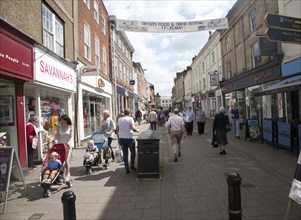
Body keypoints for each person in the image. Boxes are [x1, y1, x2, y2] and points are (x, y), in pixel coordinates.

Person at [116, 108, 139, 174]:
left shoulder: (119, 119)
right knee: (133, 153)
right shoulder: (130, 119)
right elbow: (132, 128)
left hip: (122, 138)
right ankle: (132, 166)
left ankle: (127, 169)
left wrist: (118, 137)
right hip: (129, 138)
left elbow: (117, 129)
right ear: (129, 113)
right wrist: (137, 130)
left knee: (125, 154)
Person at [53, 114, 72, 181]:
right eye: (61, 121)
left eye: (63, 121)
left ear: (66, 121)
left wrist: (69, 143)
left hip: (67, 146)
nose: (61, 123)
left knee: (66, 161)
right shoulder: (59, 127)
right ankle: (57, 174)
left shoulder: (70, 127)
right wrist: (54, 140)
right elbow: (57, 136)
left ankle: (67, 174)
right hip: (59, 146)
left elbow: (71, 137)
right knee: (57, 160)